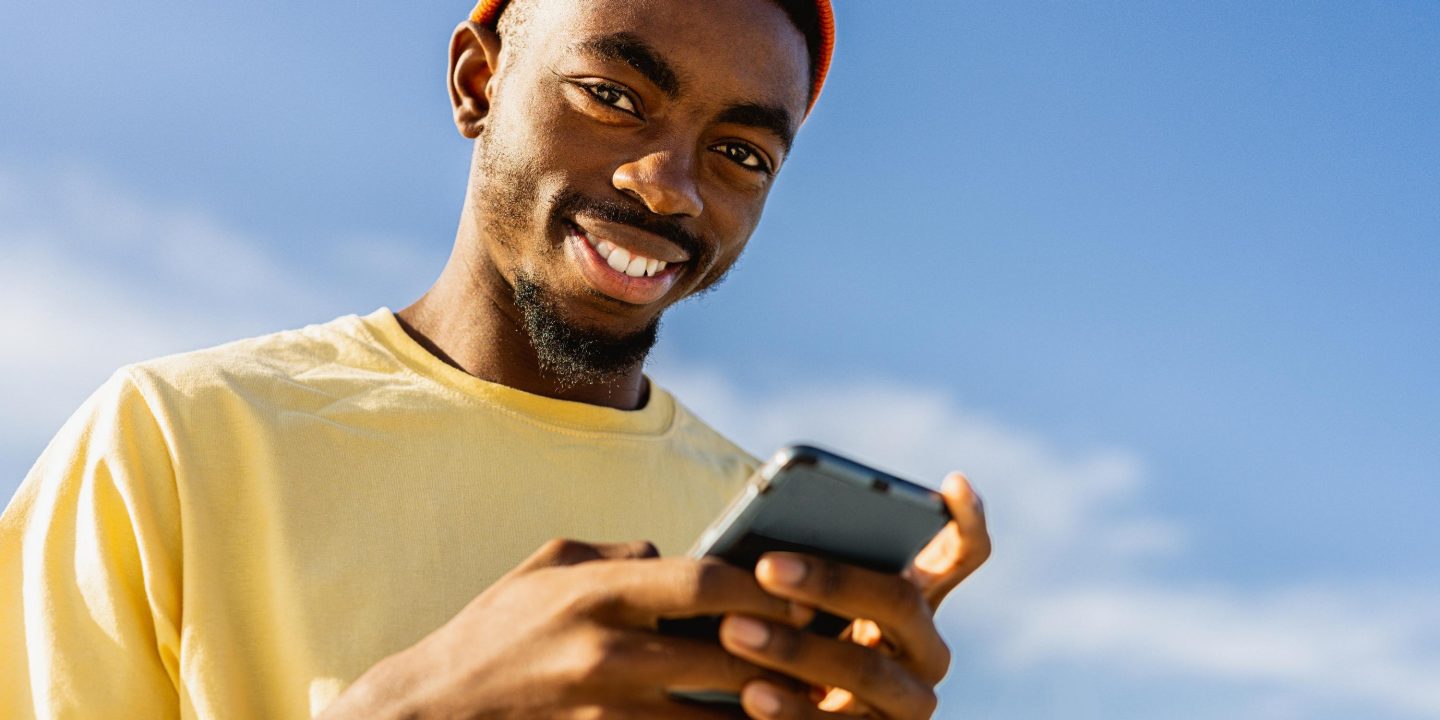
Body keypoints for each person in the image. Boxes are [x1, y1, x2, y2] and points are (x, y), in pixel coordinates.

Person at [0, 0, 992, 717]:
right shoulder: (177, 436)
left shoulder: (762, 547)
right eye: (612, 94)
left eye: (741, 155)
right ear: (479, 81)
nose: (671, 187)